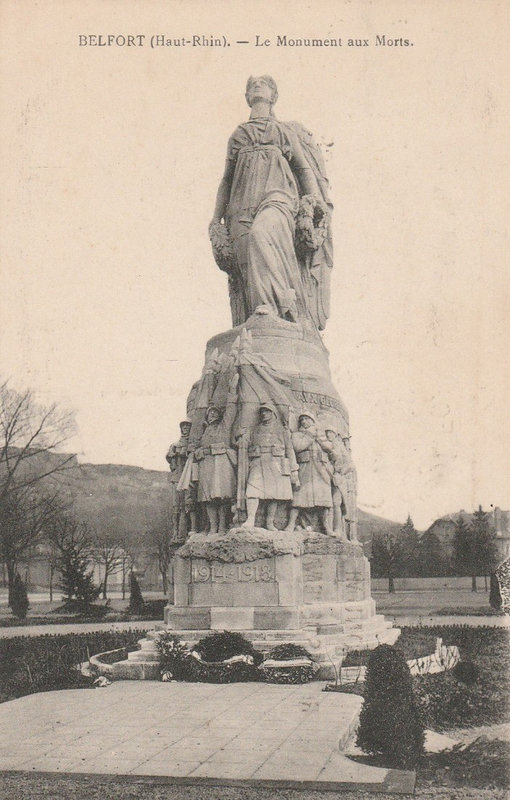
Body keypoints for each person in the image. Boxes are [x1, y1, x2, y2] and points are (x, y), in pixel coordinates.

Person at [209, 75, 332, 331]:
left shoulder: (281, 131)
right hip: (241, 206)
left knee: (261, 234)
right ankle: (260, 318)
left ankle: (280, 306)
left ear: (273, 96)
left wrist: (314, 203)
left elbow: (303, 169)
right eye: (251, 85)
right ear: (246, 97)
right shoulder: (238, 136)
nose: (256, 85)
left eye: (263, 84)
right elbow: (226, 181)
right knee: (246, 266)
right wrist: (215, 218)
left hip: (277, 197)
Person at [242, 402, 299, 529]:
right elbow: (245, 443)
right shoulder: (255, 429)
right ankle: (250, 519)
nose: (264, 414)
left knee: (274, 494)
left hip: (276, 463)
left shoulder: (281, 430)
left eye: (267, 411)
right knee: (252, 490)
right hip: (258, 461)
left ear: (273, 413)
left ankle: (269, 522)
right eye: (262, 412)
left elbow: (290, 449)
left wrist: (294, 469)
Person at [194, 375, 238, 534]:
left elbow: (231, 411)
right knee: (207, 498)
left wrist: (232, 390)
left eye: (215, 413)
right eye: (210, 413)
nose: (212, 415)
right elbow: (197, 449)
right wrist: (199, 452)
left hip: (222, 464)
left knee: (223, 496)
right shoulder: (204, 433)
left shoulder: (224, 427)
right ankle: (212, 527)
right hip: (207, 465)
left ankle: (221, 526)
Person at [286, 413, 333, 534]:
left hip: (321, 471)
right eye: (301, 420)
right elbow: (298, 447)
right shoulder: (297, 435)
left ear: (312, 420)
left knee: (324, 500)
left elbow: (329, 447)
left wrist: (318, 437)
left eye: (306, 419)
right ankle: (291, 524)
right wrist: (310, 435)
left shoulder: (320, 435)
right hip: (305, 469)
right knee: (298, 498)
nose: (304, 422)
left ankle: (326, 526)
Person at [165, 419, 197, 541]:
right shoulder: (174, 445)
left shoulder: (193, 442)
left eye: (187, 426)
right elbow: (171, 463)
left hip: (189, 476)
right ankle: (176, 533)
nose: (185, 429)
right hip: (177, 478)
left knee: (189, 503)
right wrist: (172, 454)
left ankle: (191, 530)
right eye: (183, 427)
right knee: (176, 507)